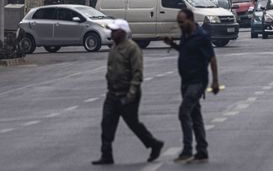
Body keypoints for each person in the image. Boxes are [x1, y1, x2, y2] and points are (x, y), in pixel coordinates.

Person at [94, 20, 163, 165]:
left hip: (127, 92)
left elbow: (137, 73)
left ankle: (154, 144)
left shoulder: (132, 48)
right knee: (107, 123)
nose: (112, 33)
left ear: (123, 32)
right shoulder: (114, 47)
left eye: (115, 31)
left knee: (133, 123)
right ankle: (106, 154)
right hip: (113, 93)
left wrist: (131, 94)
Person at [163, 9, 220, 163]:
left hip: (197, 82)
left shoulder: (201, 36)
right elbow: (184, 50)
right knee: (195, 116)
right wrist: (172, 44)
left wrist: (215, 81)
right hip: (186, 82)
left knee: (184, 112)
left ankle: (187, 150)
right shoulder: (186, 34)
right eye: (178, 22)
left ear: (190, 20)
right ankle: (202, 150)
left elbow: (212, 59)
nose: (180, 25)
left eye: (182, 22)